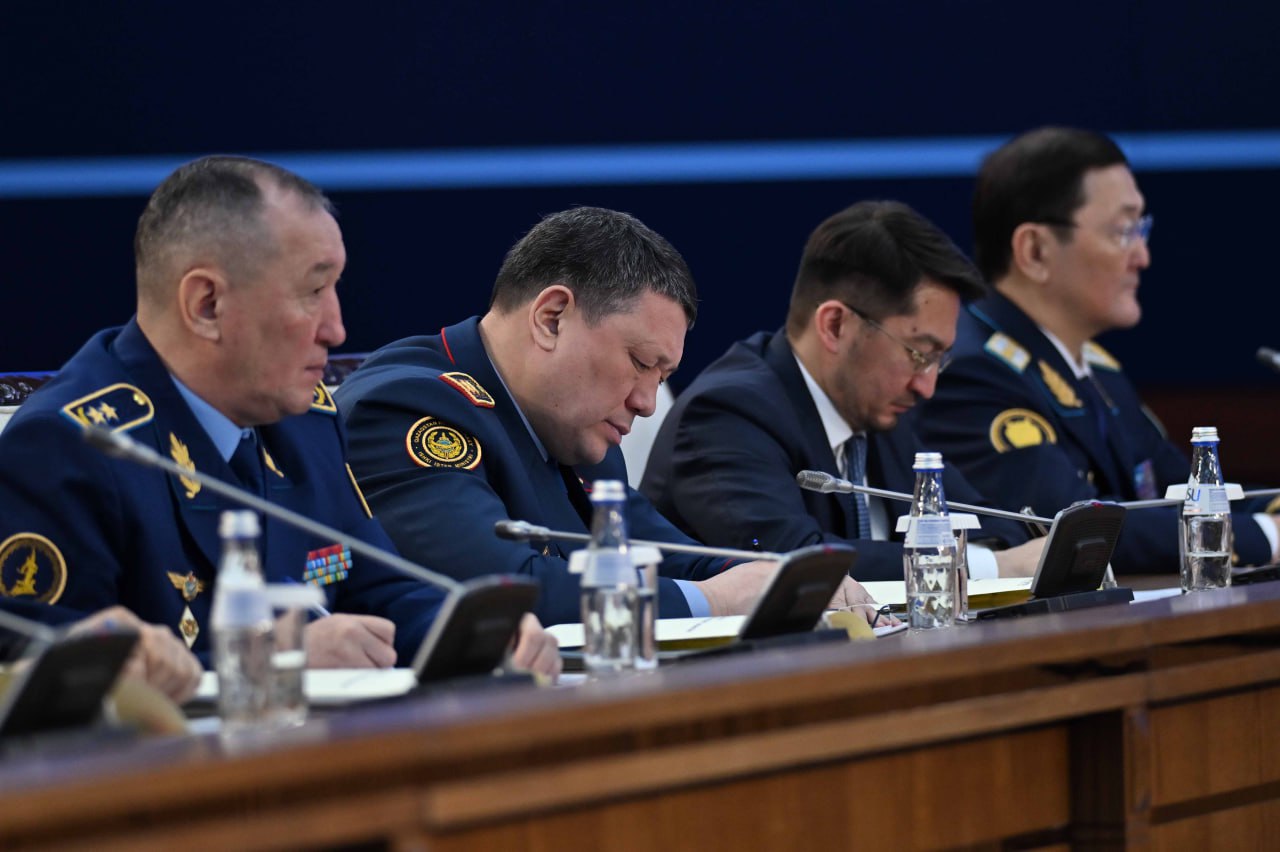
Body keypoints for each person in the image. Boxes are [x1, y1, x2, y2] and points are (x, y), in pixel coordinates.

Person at [0, 156, 559, 679]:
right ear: (207, 305)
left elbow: (385, 592)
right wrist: (270, 658)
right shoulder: (71, 446)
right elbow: (47, 683)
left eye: (335, 288)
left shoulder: (304, 421)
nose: (336, 329)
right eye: (312, 291)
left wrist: (479, 635)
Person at [335, 207, 876, 625]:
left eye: (661, 377)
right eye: (640, 363)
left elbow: (673, 555)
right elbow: (500, 591)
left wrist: (778, 579)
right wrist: (712, 600)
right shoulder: (407, 406)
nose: (646, 402)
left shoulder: (573, 427)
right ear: (551, 318)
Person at [918, 126, 1280, 572]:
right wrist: (1267, 537)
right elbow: (1078, 530)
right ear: (1035, 251)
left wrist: (1270, 515)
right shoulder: (971, 372)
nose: (1143, 256)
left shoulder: (1096, 368)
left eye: (1141, 228)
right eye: (1123, 230)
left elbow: (1187, 491)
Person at [642, 200, 1043, 581]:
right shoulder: (726, 415)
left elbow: (992, 524)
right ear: (835, 325)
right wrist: (988, 566)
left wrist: (999, 555)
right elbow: (794, 564)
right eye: (919, 354)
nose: (927, 386)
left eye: (941, 359)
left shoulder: (875, 409)